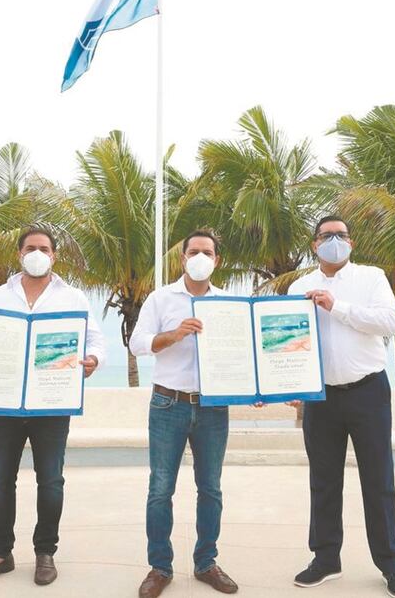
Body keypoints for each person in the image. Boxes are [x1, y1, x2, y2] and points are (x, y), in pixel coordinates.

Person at [0, 227, 106, 587]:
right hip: (3, 405)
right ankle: (0, 553)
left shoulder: (73, 297)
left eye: (43, 248)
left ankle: (45, 553)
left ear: (54, 255)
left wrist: (92, 360)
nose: (36, 253)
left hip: (51, 406)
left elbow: (95, 339)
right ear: (19, 253)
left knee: (51, 481)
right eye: (30, 248)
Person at [287, 215, 395, 598]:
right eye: (327, 235)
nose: (335, 240)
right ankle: (325, 559)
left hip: (368, 391)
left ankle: (391, 564)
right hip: (320, 396)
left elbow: (391, 322)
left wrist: (336, 307)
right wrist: (289, 383)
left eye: (342, 235)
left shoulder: (370, 278)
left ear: (352, 243)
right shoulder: (299, 285)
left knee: (378, 480)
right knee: (323, 481)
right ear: (314, 245)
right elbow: (289, 340)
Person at [129, 230, 240, 598]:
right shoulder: (162, 299)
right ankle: (160, 567)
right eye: (194, 251)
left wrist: (253, 387)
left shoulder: (229, 303)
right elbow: (138, 343)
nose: (200, 257)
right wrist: (174, 335)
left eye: (207, 252)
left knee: (211, 488)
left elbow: (243, 355)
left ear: (217, 260)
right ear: (182, 258)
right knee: (160, 489)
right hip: (167, 403)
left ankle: (206, 562)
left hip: (213, 406)